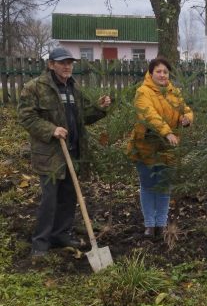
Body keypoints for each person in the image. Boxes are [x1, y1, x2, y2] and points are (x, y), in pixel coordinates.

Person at [18, 47, 112, 259]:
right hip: (51, 154)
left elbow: (83, 117)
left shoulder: (73, 88)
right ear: (51, 64)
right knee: (50, 198)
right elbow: (26, 117)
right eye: (62, 62)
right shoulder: (35, 88)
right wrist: (52, 130)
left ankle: (61, 234)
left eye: (70, 62)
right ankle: (40, 242)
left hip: (73, 150)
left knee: (69, 196)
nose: (67, 66)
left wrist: (100, 107)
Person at [127, 57, 193, 238]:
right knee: (148, 186)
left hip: (168, 148)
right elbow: (149, 115)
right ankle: (149, 224)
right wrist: (167, 132)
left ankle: (161, 224)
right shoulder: (142, 92)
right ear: (151, 73)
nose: (162, 75)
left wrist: (187, 118)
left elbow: (185, 109)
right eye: (158, 71)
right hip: (145, 147)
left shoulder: (174, 92)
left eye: (165, 71)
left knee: (164, 187)